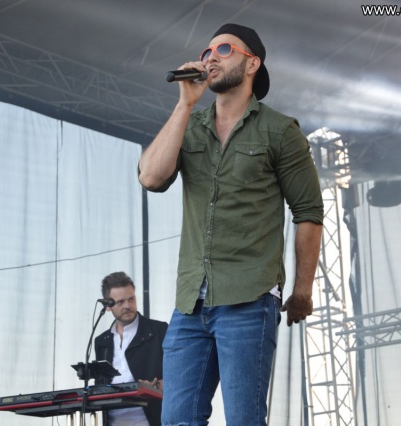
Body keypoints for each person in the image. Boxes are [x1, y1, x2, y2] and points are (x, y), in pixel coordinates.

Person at [137, 23, 324, 425]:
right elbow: (150, 177)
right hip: (190, 303)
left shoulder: (279, 131)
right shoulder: (190, 126)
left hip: (248, 298)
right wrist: (184, 105)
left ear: (252, 63)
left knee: (243, 420)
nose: (210, 58)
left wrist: (302, 290)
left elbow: (308, 212)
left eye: (224, 50)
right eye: (207, 52)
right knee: (177, 419)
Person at [94, 272, 168, 426]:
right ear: (108, 306)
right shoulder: (102, 341)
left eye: (131, 299)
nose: (128, 306)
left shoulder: (159, 331)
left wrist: (156, 385)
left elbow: (179, 376)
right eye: (120, 302)